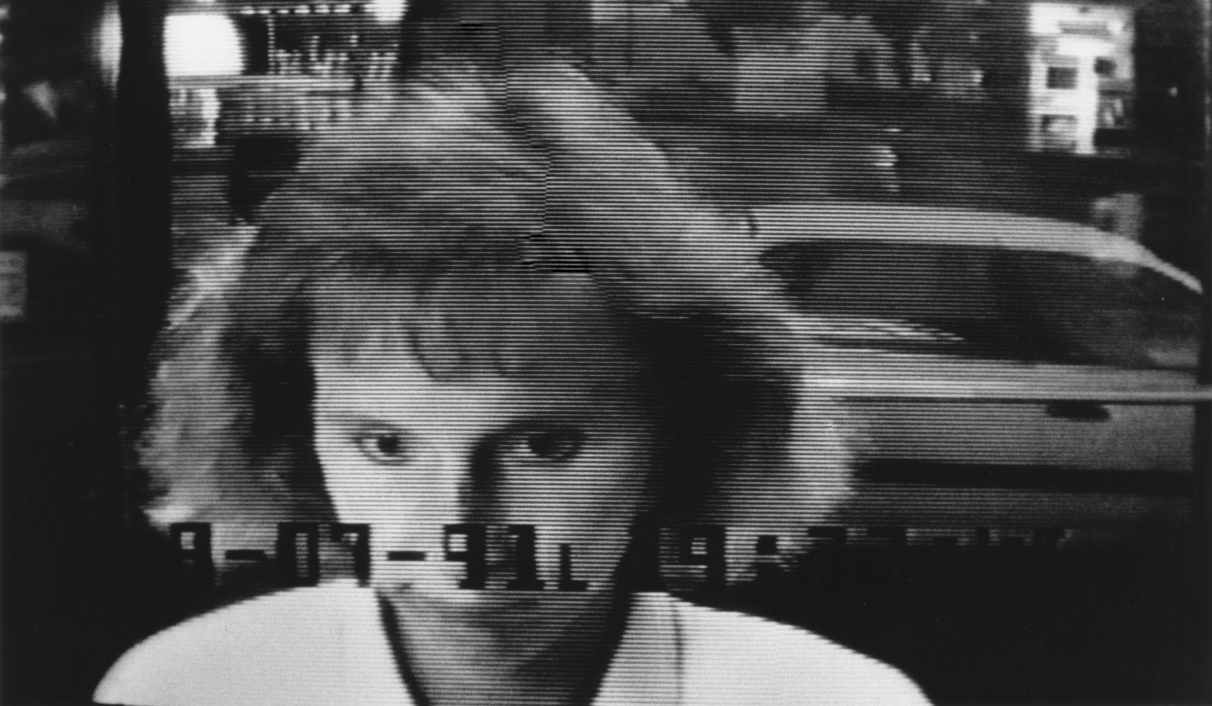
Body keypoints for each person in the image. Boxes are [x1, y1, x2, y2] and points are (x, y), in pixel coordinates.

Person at [94, 59, 928, 705]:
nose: (459, 533)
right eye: (385, 445)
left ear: (682, 442)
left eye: (543, 444)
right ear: (291, 442)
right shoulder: (185, 690)